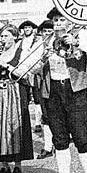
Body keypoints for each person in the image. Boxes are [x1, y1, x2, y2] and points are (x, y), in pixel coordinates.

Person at [37, 7, 87, 173]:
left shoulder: (81, 35)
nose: (59, 24)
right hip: (52, 91)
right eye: (56, 20)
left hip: (74, 91)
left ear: (70, 22)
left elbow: (83, 54)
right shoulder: (45, 41)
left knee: (82, 138)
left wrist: (75, 43)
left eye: (62, 20)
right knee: (59, 139)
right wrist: (42, 57)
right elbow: (36, 67)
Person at [0, 25, 35, 173]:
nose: (2, 39)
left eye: (5, 36)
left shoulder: (22, 52)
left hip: (15, 91)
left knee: (15, 126)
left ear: (14, 37)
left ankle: (18, 165)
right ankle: (4, 166)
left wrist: (6, 66)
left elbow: (25, 73)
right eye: (1, 36)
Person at [34, 20, 55, 159]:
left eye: (50, 31)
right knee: (46, 116)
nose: (47, 33)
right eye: (45, 31)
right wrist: (43, 58)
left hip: (58, 83)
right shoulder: (38, 46)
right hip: (43, 84)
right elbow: (34, 68)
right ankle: (48, 146)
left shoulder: (58, 42)